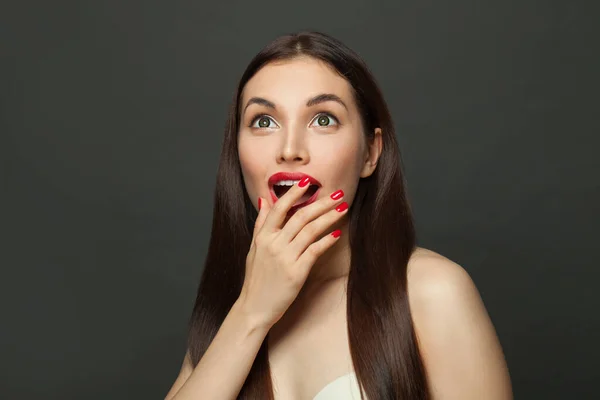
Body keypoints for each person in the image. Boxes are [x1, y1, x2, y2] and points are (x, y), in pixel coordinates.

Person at [165, 31, 512, 400]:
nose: (290, 150)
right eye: (264, 121)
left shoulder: (431, 293)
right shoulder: (235, 310)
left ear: (370, 154)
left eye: (323, 119)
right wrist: (251, 314)